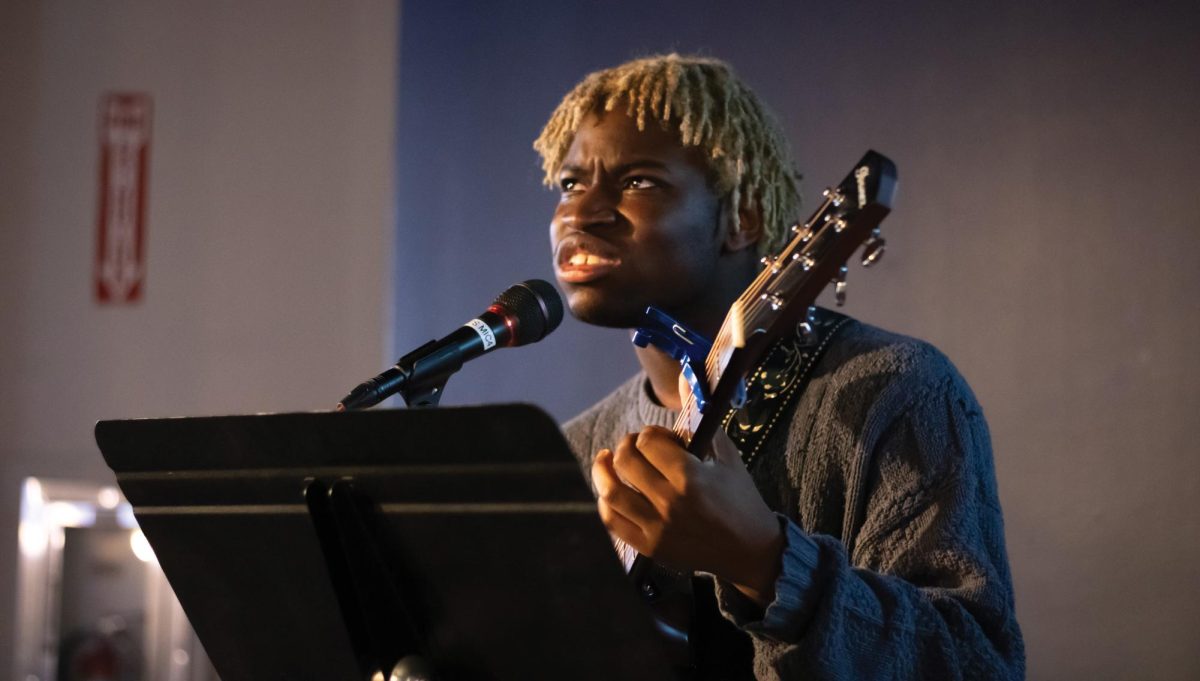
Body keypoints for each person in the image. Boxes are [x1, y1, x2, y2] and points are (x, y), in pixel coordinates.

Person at [533, 54, 1024, 679]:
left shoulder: (899, 390)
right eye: (571, 185)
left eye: (638, 182)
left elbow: (976, 664)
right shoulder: (575, 447)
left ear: (744, 219)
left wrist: (768, 564)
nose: (581, 213)